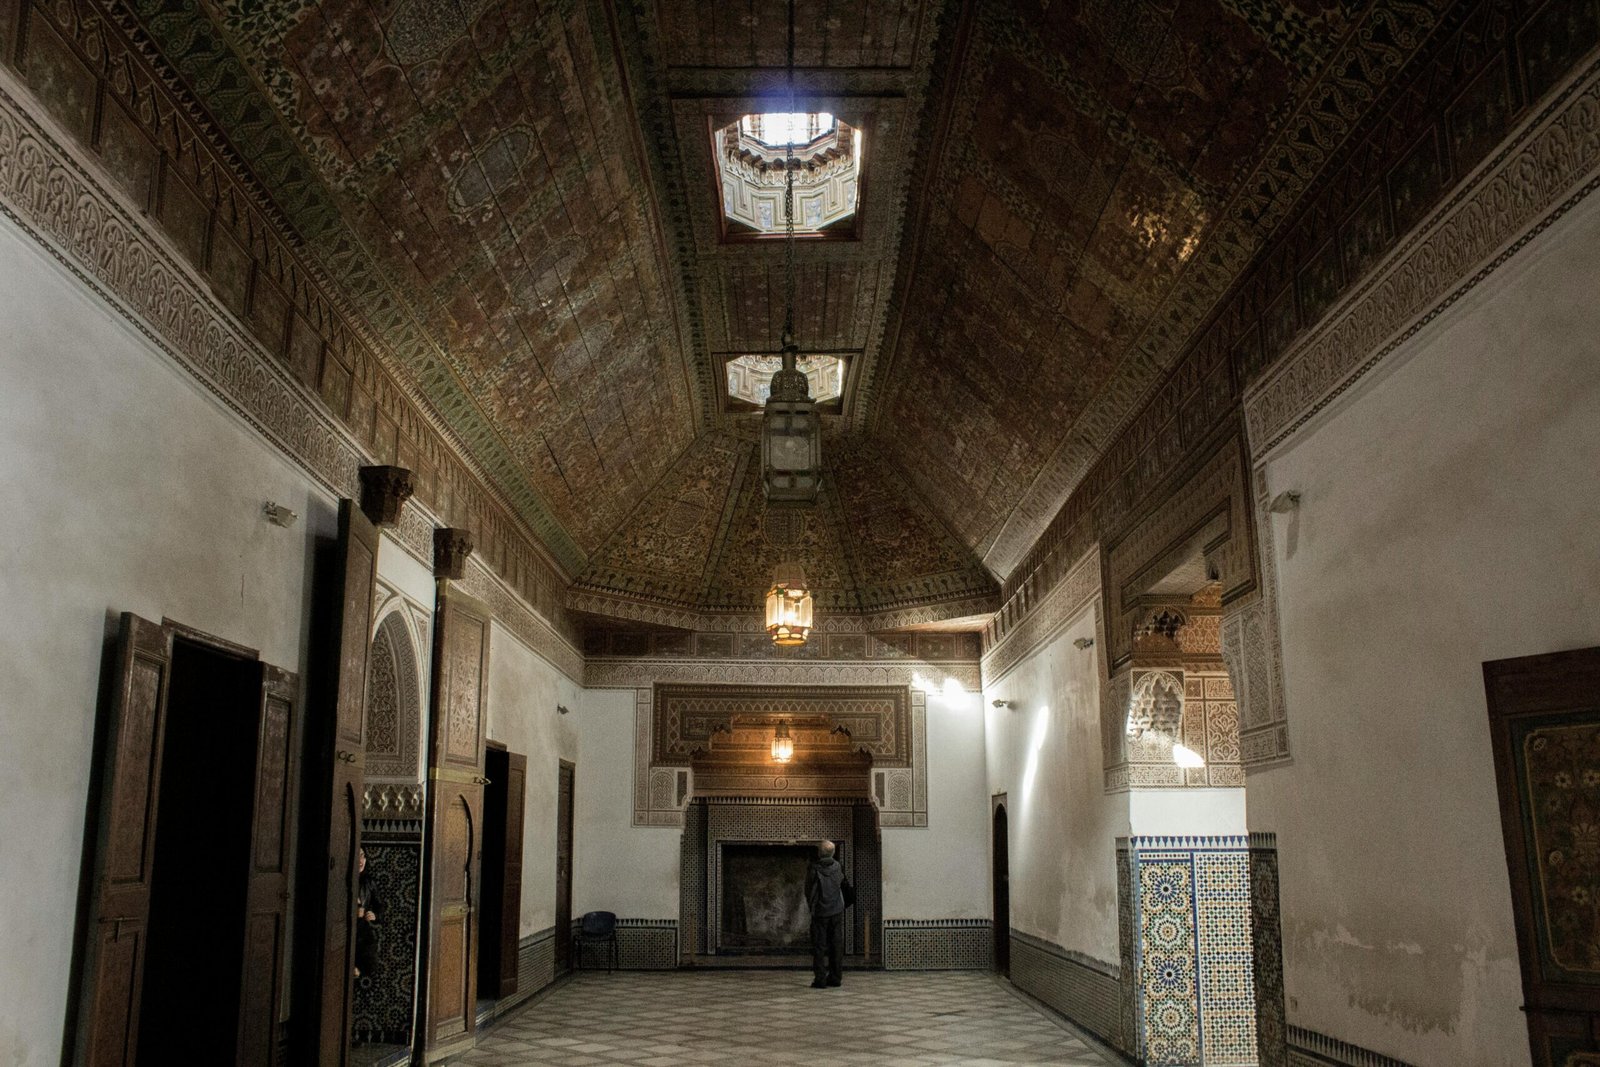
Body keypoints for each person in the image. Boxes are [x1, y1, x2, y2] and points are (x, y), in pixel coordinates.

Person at [804, 840, 848, 988]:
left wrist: (812, 906)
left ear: (819, 853)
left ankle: (820, 979)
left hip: (820, 912)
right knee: (836, 944)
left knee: (819, 946)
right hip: (836, 911)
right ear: (833, 853)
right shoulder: (838, 867)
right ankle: (836, 978)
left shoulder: (814, 868)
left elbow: (808, 890)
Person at [354, 846, 381, 979]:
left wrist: (374, 915)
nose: (361, 860)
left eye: (363, 855)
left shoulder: (369, 882)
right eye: (357, 855)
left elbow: (379, 906)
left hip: (361, 927)